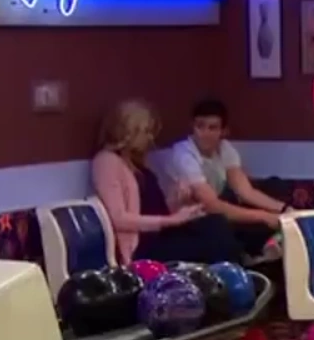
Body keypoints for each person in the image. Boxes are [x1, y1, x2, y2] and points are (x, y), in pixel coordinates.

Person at [91, 99, 245, 265]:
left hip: (162, 233)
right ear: (128, 132)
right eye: (146, 132)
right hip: (143, 246)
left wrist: (178, 200)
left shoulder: (137, 163)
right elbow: (119, 218)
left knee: (214, 223)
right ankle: (233, 274)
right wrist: (173, 220)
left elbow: (155, 209)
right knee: (213, 238)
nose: (150, 138)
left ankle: (237, 270)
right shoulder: (107, 161)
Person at [164, 99, 286, 262]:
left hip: (215, 209)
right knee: (218, 222)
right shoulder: (183, 154)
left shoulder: (225, 148)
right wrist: (264, 216)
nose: (205, 133)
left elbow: (245, 191)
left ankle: (266, 248)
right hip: (188, 219)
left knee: (274, 185)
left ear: (223, 131)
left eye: (212, 128)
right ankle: (248, 256)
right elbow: (211, 205)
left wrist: (284, 209)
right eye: (200, 126)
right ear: (192, 127)